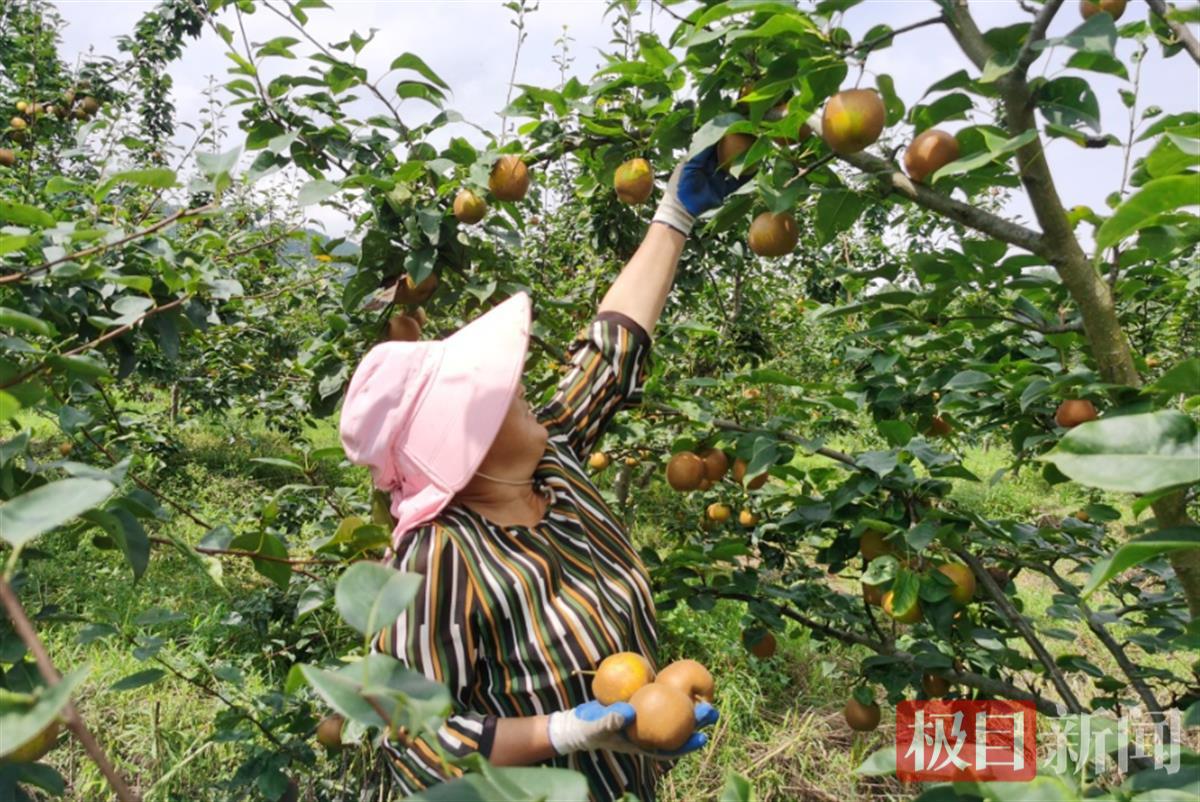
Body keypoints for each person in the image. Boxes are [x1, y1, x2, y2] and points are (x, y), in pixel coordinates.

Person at [338, 144, 743, 802]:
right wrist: (561, 733)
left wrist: (673, 214)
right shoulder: (436, 558)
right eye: (496, 394)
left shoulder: (550, 462)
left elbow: (609, 352)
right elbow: (414, 740)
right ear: (460, 450)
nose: (519, 385)